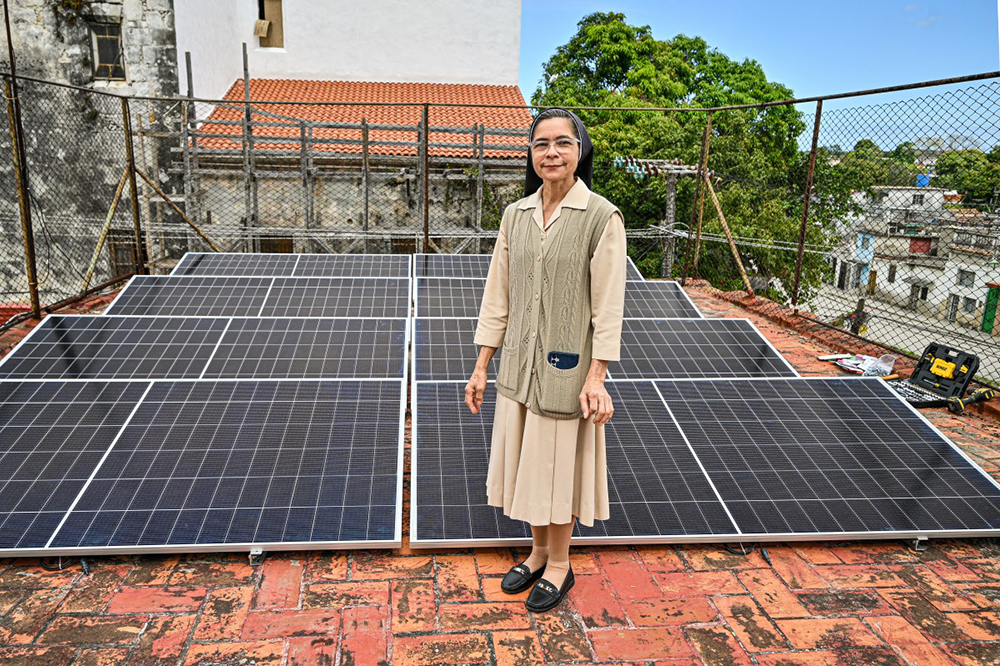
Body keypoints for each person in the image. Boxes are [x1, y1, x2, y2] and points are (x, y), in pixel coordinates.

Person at [464, 108, 626, 613]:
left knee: (555, 472)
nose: (551, 153)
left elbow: (608, 305)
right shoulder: (515, 216)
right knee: (527, 469)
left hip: (567, 371)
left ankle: (560, 565)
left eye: (562, 143)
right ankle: (536, 553)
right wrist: (482, 365)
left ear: (581, 151)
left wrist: (597, 377)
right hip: (518, 367)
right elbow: (499, 295)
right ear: (530, 155)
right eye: (540, 144)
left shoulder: (602, 216)